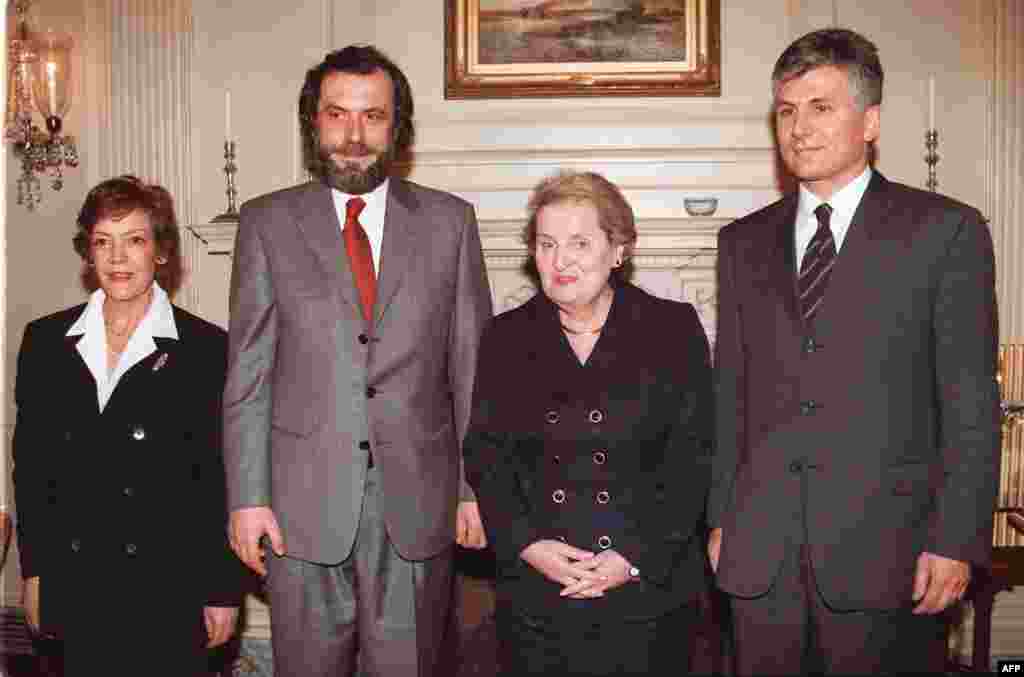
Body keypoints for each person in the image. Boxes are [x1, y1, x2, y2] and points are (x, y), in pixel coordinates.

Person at [707, 28, 1001, 674]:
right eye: (786, 111)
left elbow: (971, 402)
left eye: (821, 107)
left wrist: (956, 540)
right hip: (760, 564)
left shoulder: (946, 232)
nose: (799, 128)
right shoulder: (742, 243)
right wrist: (720, 518)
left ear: (870, 121)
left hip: (889, 562)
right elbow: (732, 393)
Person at [223, 44, 493, 677]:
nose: (353, 135)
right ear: (313, 123)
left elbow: (472, 369)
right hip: (298, 513)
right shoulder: (266, 223)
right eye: (337, 114)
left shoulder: (451, 223)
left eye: (372, 117)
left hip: (418, 511)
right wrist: (247, 497)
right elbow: (248, 374)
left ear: (396, 127)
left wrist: (472, 487)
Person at [464, 171, 713, 676]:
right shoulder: (505, 337)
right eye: (546, 243)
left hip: (648, 590)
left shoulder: (672, 329)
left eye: (580, 242)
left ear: (618, 248)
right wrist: (529, 546)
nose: (560, 260)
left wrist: (632, 557)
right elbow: (487, 457)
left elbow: (695, 458)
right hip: (539, 590)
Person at [12, 176, 243, 675]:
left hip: (166, 590)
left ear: (160, 251)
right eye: (103, 242)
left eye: (134, 240)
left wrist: (221, 588)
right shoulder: (46, 342)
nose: (118, 258)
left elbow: (222, 479)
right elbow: (31, 471)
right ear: (88, 253)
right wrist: (35, 572)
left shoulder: (207, 350)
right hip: (73, 584)